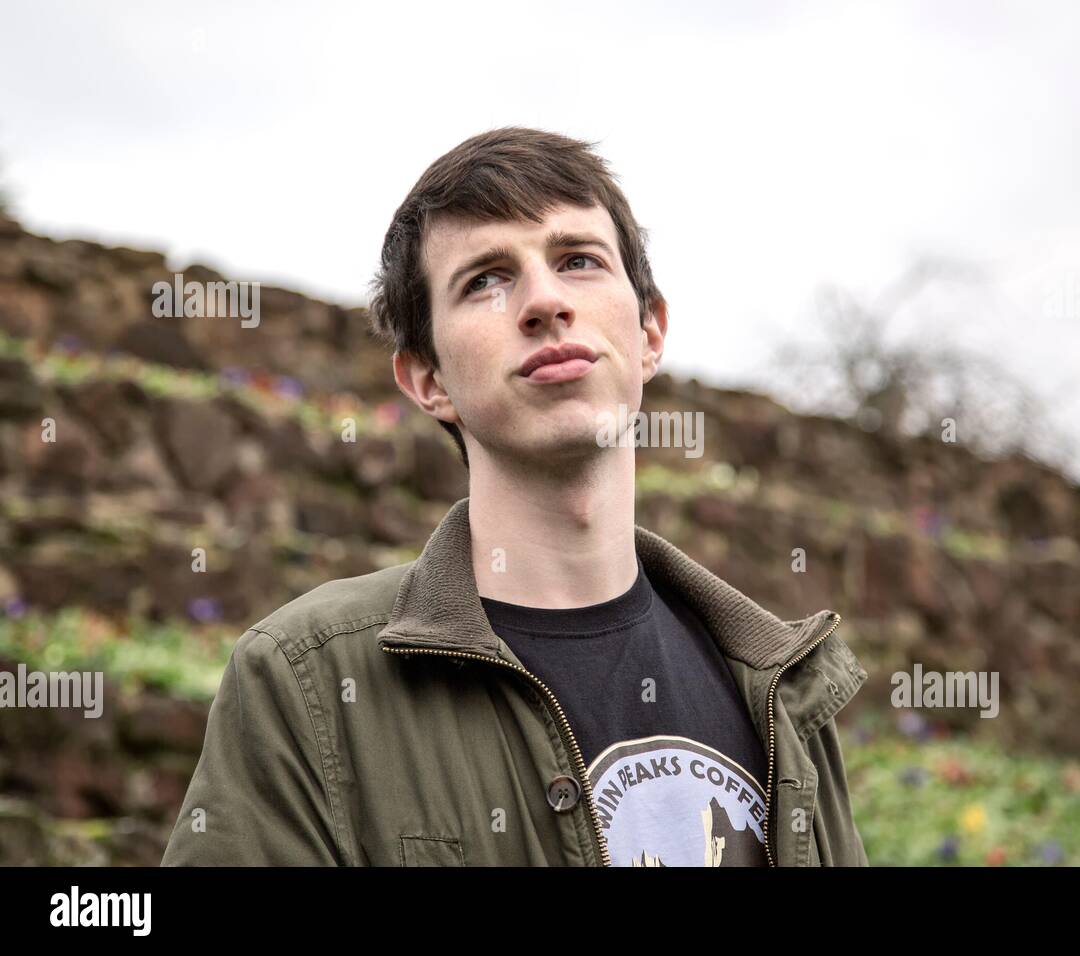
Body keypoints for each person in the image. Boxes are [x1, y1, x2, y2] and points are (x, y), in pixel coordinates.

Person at [161, 127, 869, 867]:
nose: (544, 301)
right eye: (485, 280)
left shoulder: (783, 690)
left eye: (579, 261)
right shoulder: (304, 682)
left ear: (650, 331)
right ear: (427, 379)